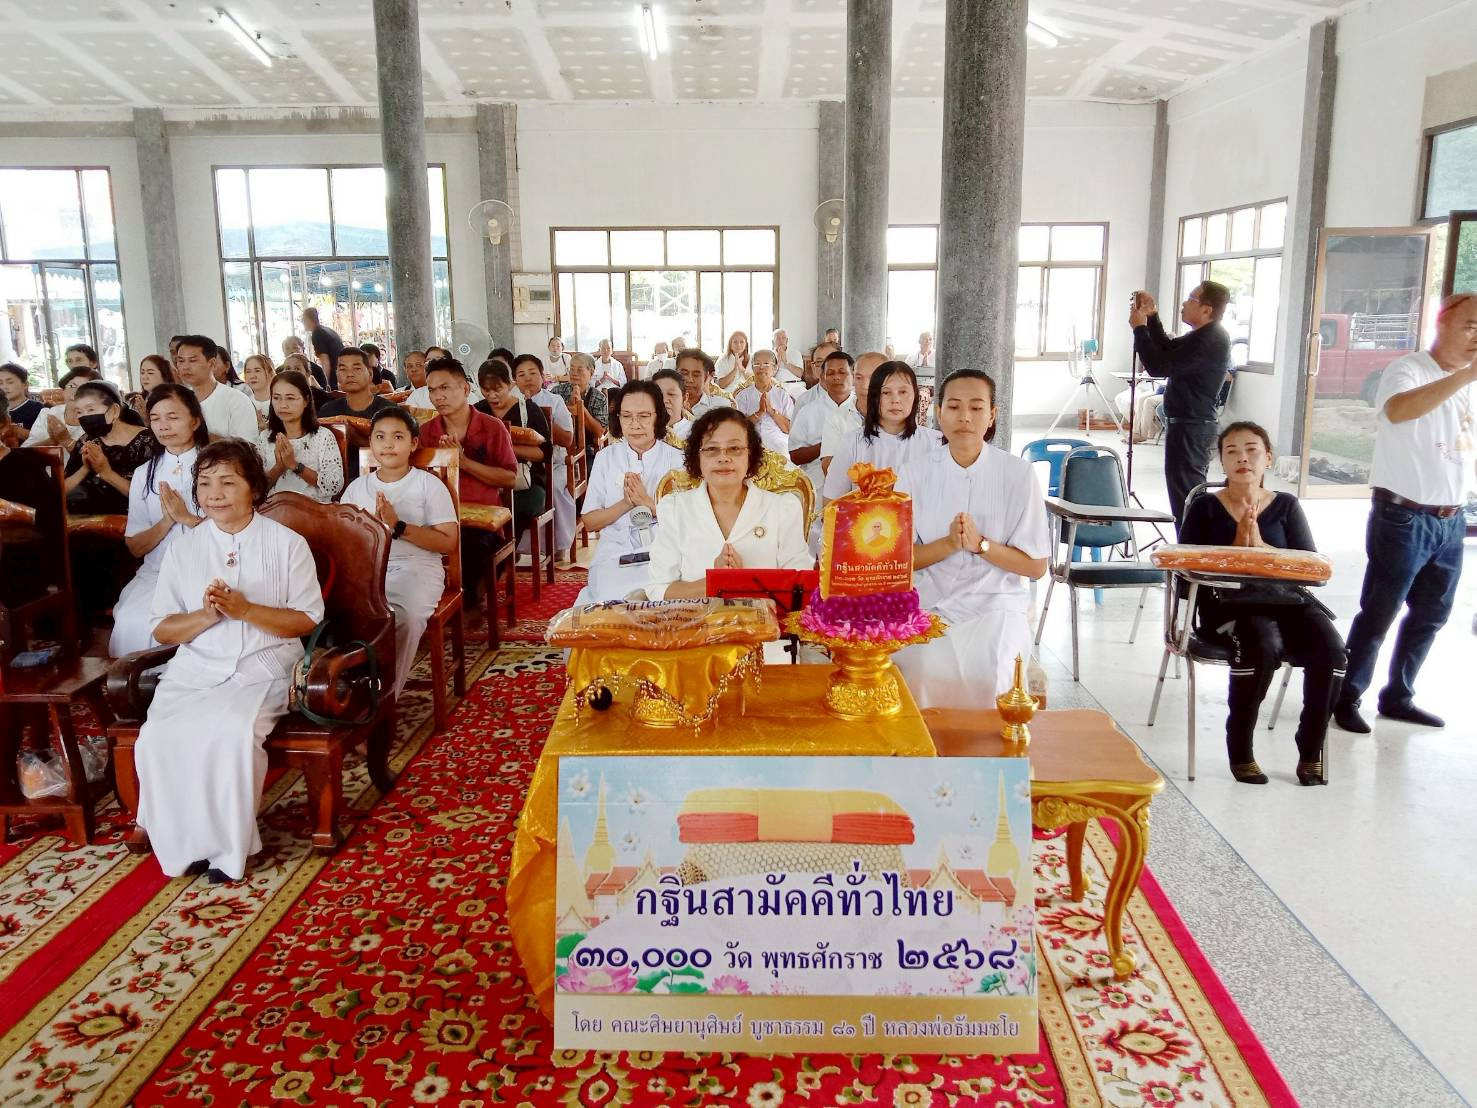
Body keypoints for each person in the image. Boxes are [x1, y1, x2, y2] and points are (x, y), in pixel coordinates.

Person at [134, 439, 323, 883]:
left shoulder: (288, 543)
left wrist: (246, 612)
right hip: (197, 667)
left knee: (230, 734)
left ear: (253, 488)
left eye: (227, 482)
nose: (214, 493)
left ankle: (229, 851)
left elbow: (305, 619)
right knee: (159, 737)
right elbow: (162, 627)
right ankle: (185, 846)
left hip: (265, 665)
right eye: (204, 483)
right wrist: (205, 616)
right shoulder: (186, 547)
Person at [1333, 291, 1477, 733]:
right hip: (1403, 517)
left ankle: (1399, 696)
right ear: (1443, 324)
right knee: (1380, 611)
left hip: (1451, 521)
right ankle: (1345, 697)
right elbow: (1398, 411)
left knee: (1432, 615)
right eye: (1471, 327)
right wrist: (1467, 375)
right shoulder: (1409, 369)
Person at [1179, 422, 1345, 785]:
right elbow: (1184, 575)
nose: (1243, 458)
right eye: (1232, 451)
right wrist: (1236, 551)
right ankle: (1241, 750)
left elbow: (1308, 566)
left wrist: (1262, 549)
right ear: (1221, 462)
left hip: (1288, 602)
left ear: (1268, 458)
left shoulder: (1286, 505)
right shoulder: (1206, 507)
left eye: (1252, 449)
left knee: (1333, 651)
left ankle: (1310, 747)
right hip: (1228, 607)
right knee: (1262, 645)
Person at [893, 370, 1050, 709]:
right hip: (931, 604)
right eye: (954, 406)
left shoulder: (1018, 474)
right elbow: (898, 562)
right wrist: (948, 544)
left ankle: (990, 760)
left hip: (995, 603)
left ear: (992, 415)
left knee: (994, 671)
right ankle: (926, 759)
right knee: (920, 670)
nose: (965, 417)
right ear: (938, 413)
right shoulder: (914, 473)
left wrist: (982, 546)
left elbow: (1036, 567)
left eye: (977, 408)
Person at [340, 407, 458, 700]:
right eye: (380, 437)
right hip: (369, 572)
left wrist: (398, 526)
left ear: (413, 443)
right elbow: (343, 540)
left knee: (400, 618)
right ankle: (347, 697)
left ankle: (382, 705)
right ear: (371, 444)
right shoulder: (357, 489)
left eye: (397, 437)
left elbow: (448, 543)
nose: (388, 444)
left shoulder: (428, 485)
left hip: (418, 568)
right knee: (342, 616)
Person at [646, 408, 813, 600]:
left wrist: (742, 582)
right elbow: (658, 591)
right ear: (697, 458)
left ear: (750, 455)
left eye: (735, 448)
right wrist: (714, 583)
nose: (723, 457)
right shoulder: (675, 509)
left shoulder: (783, 509)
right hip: (695, 627)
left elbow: (802, 589)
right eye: (711, 449)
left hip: (766, 628)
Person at [111, 384, 209, 657]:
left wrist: (186, 518)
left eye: (173, 417)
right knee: (133, 621)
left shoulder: (216, 465)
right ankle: (137, 691)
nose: (163, 425)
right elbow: (135, 546)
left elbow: (237, 532)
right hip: (158, 573)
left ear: (195, 420)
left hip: (211, 569)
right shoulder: (144, 473)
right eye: (155, 418)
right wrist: (167, 521)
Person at [419, 357, 518, 611]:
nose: (438, 396)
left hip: (480, 521)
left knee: (471, 551)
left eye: (445, 388)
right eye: (432, 390)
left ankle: (465, 604)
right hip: (436, 518)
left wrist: (463, 462)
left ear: (465, 389)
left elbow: (509, 478)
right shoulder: (426, 432)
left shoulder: (492, 428)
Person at [1130, 283, 1233, 528]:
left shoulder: (1212, 338)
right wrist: (1152, 317)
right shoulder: (1202, 335)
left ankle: (1193, 556)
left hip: (1193, 427)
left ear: (1207, 310)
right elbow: (1166, 349)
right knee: (1184, 497)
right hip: (1187, 425)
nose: (1184, 303)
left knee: (1188, 499)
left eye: (1191, 298)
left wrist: (1140, 330)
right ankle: (1189, 551)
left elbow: (1159, 366)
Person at [576, 380, 684, 604]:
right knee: (612, 602)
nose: (635, 424)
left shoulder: (677, 460)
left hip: (664, 550)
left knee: (662, 602)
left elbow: (691, 522)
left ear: (658, 417)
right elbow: (590, 522)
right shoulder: (606, 458)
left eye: (644, 416)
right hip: (616, 550)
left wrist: (649, 505)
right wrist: (626, 503)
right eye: (626, 416)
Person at [822, 361, 935, 502]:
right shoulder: (853, 442)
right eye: (886, 392)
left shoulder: (935, 443)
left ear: (915, 395)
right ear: (875, 397)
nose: (895, 400)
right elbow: (831, 502)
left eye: (903, 392)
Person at [474, 357, 550, 538]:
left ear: (510, 384)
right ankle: (494, 557)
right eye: (486, 390)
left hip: (525, 482)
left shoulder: (529, 411)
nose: (492, 395)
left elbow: (544, 453)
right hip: (487, 479)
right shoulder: (477, 411)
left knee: (515, 509)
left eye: (498, 389)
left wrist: (507, 448)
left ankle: (504, 554)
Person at [513, 353, 577, 558]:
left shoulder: (555, 400)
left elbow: (567, 439)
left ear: (542, 376)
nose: (528, 378)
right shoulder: (510, 401)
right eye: (521, 374)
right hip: (519, 464)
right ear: (514, 380)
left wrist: (540, 417)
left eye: (532, 373)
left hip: (555, 462)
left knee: (556, 486)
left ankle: (558, 544)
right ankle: (514, 546)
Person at [63, 380, 155, 514]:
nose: (85, 417)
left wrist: (106, 472)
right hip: (84, 520)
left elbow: (149, 497)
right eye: (79, 412)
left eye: (91, 409)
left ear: (114, 410)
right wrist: (86, 467)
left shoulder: (147, 442)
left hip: (130, 521)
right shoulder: (87, 441)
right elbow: (62, 490)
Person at [257, 370, 342, 503]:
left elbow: (333, 486)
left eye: (290, 398)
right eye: (276, 398)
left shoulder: (323, 437)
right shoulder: (265, 438)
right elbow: (257, 490)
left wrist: (294, 465)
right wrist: (279, 467)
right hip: (275, 512)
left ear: (306, 400)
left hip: (316, 512)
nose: (283, 405)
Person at [788, 349, 853, 497]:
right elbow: (795, 455)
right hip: (818, 486)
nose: (836, 377)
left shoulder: (864, 409)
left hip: (858, 486)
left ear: (853, 375)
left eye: (842, 372)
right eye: (830, 373)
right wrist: (828, 444)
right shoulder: (808, 411)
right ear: (823, 377)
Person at [174, 335, 259, 441]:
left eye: (193, 360)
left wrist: (201, 438)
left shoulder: (236, 400)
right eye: (181, 361)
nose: (185, 367)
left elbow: (247, 448)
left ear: (212, 363)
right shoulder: (178, 401)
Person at [820, 351, 884, 477]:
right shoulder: (837, 417)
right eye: (859, 378)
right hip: (851, 492)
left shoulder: (898, 416)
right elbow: (828, 467)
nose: (865, 385)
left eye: (873, 378)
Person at [732, 349, 794, 457]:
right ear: (752, 368)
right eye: (756, 364)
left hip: (778, 438)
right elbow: (737, 428)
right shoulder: (743, 395)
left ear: (774, 369)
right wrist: (758, 413)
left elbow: (789, 429)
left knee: (785, 449)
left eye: (766, 364)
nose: (761, 367)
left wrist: (772, 412)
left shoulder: (782, 395)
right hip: (750, 438)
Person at [552, 352, 609, 467]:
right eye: (572, 369)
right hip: (558, 448)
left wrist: (580, 406)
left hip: (587, 449)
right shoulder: (557, 391)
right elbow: (548, 420)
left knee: (592, 470)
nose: (574, 373)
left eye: (579, 370)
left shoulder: (598, 397)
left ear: (591, 372)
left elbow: (599, 432)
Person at [23, 365, 99, 449]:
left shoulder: (101, 420)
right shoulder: (48, 414)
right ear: (63, 390)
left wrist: (65, 440)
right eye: (71, 386)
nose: (75, 393)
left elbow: (99, 459)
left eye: (83, 388)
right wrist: (51, 441)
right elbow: (25, 451)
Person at [676, 348, 730, 423]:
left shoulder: (721, 406)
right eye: (684, 374)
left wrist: (689, 416)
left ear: (706, 377)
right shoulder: (665, 405)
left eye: (696, 375)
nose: (689, 380)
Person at [791, 340, 839, 417]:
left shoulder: (855, 398)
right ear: (813, 367)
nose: (826, 366)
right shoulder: (804, 401)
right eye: (820, 362)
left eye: (831, 360)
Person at [302, 307, 345, 390]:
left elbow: (325, 360)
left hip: (334, 374)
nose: (303, 323)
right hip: (341, 370)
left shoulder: (317, 333)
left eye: (303, 320)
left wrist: (326, 383)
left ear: (307, 319)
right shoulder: (328, 330)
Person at [126, 355, 175, 421]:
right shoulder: (138, 400)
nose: (144, 377)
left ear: (164, 376)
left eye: (150, 373)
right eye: (142, 372)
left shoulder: (174, 400)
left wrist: (147, 419)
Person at [0, 362, 43, 431]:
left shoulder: (39, 410)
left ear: (25, 384)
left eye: (10, 382)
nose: (4, 387)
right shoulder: (1, 411)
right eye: (0, 383)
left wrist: (15, 430)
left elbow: (48, 439)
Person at [651, 368, 689, 443]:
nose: (664, 400)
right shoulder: (642, 431)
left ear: (685, 398)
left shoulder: (697, 432)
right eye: (659, 394)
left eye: (671, 394)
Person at [239, 354, 274, 429]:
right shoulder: (243, 402)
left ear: (270, 373)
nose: (252, 376)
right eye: (248, 372)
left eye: (257, 371)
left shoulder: (279, 401)